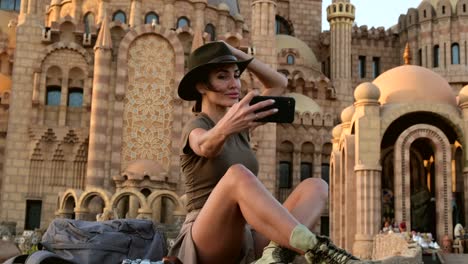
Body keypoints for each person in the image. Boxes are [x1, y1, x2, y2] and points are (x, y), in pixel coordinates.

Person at [168, 41, 369, 264]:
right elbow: (205, 145)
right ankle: (317, 250)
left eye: (236, 75)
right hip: (206, 236)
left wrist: (235, 53)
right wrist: (228, 126)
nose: (235, 84)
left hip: (245, 235)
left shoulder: (242, 126)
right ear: (201, 86)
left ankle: (277, 254)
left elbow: (279, 83)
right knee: (237, 175)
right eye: (222, 77)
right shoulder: (197, 125)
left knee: (316, 186)